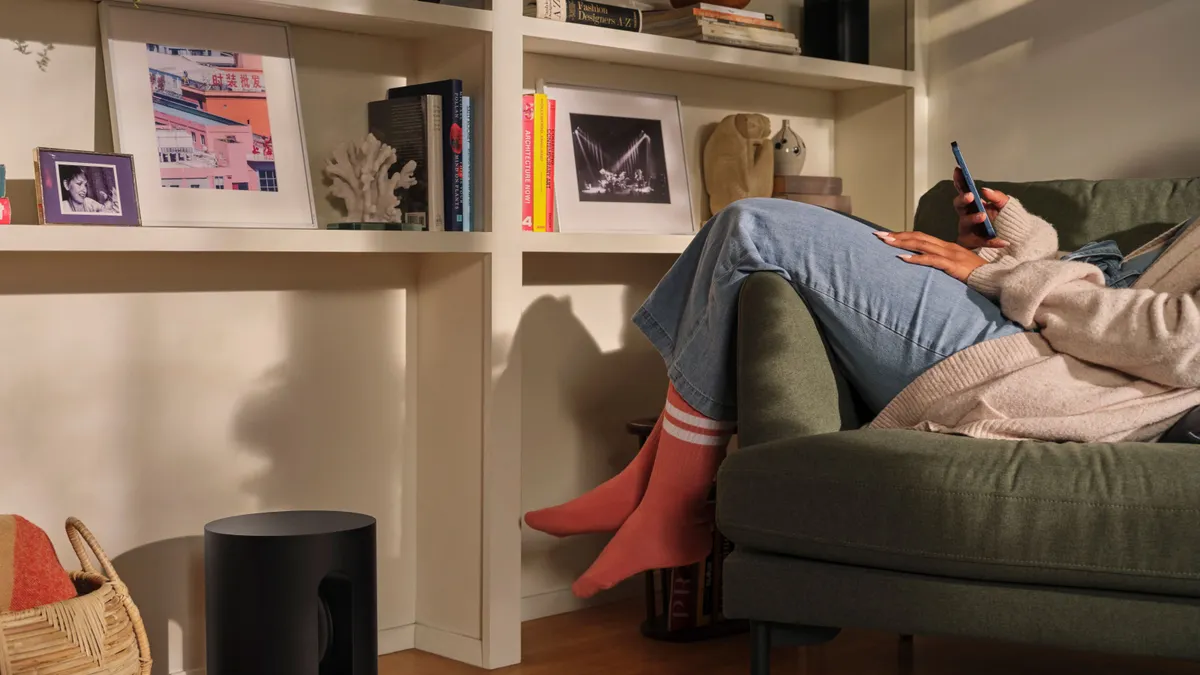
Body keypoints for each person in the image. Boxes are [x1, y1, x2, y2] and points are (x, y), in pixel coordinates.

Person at [524, 169, 1200, 599]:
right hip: (1026, 328)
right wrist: (1013, 239)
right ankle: (653, 483)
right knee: (738, 228)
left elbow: (1177, 341)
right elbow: (1109, 289)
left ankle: (670, 504)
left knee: (752, 226)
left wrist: (989, 273)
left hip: (1031, 365)